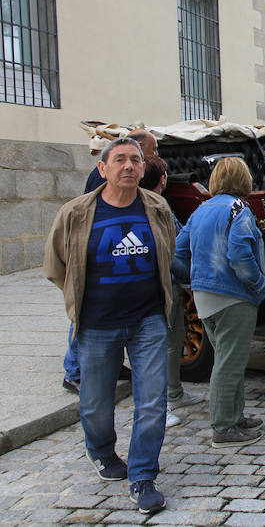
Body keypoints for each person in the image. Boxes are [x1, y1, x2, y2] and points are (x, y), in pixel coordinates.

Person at [44, 138, 174, 514]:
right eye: (120, 160)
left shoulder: (157, 208)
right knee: (96, 402)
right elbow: (56, 266)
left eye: (135, 160)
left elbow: (169, 251)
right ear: (103, 169)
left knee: (152, 401)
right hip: (97, 323)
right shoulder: (77, 212)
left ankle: (143, 476)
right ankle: (101, 451)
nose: (129, 166)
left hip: (148, 320)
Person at [173, 157, 265, 448]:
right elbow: (240, 254)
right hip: (233, 295)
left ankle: (234, 417)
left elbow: (179, 251)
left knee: (228, 360)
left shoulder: (201, 210)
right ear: (244, 180)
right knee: (229, 363)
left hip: (205, 296)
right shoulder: (239, 210)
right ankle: (224, 427)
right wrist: (258, 283)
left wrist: (194, 279)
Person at [64, 129, 161, 393]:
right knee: (85, 314)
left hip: (137, 300)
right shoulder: (99, 185)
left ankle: (111, 364)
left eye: (141, 158)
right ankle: (74, 371)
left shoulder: (153, 204)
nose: (153, 156)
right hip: (102, 262)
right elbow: (60, 261)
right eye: (151, 150)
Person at [138, 157, 205, 427]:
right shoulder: (153, 205)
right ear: (162, 179)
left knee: (174, 337)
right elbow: (168, 247)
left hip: (168, 281)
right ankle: (159, 404)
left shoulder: (156, 203)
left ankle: (174, 392)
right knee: (160, 344)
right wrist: (189, 274)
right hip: (160, 282)